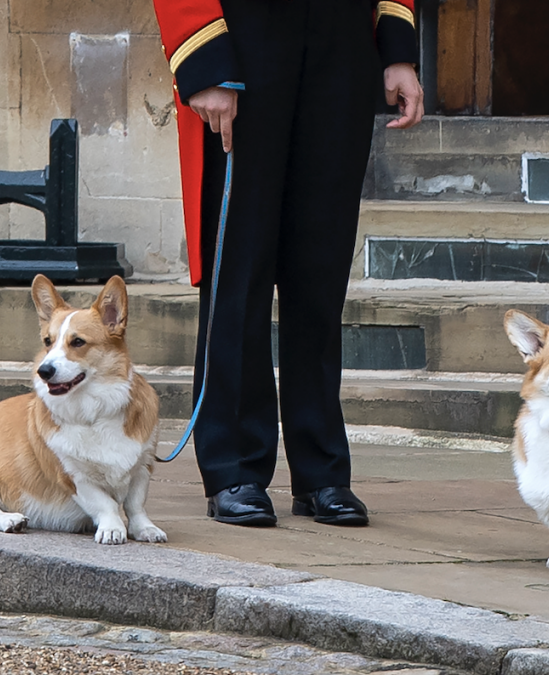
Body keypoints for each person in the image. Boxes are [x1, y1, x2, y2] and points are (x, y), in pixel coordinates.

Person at [151, 0, 424, 528]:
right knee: (240, 268)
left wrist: (396, 47)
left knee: (319, 272)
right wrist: (204, 54)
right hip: (244, 35)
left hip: (340, 38)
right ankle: (235, 467)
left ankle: (321, 470)